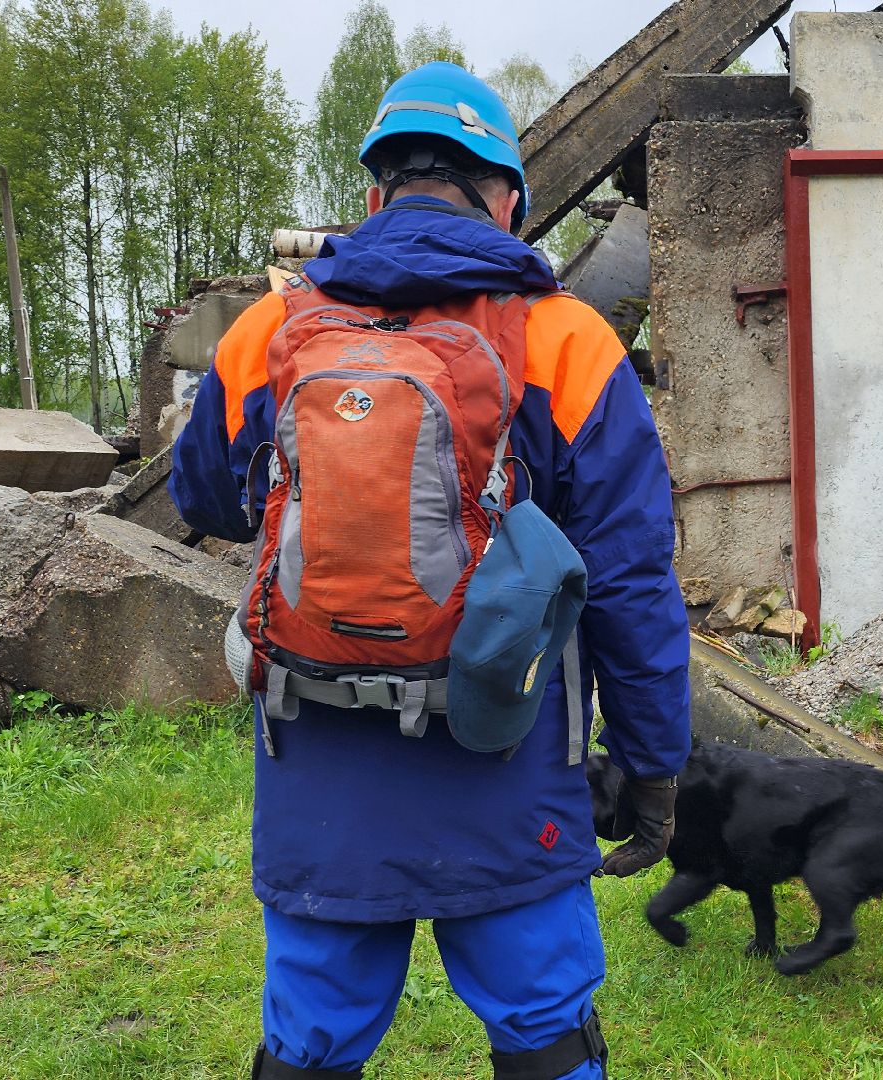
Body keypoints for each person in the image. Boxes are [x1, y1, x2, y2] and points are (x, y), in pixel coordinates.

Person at [170, 61, 691, 1080]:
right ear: (506, 203)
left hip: (316, 756)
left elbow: (199, 497)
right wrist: (653, 761)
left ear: (373, 198)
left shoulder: (271, 330)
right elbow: (631, 581)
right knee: (543, 1025)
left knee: (310, 1036)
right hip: (505, 750)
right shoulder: (566, 339)